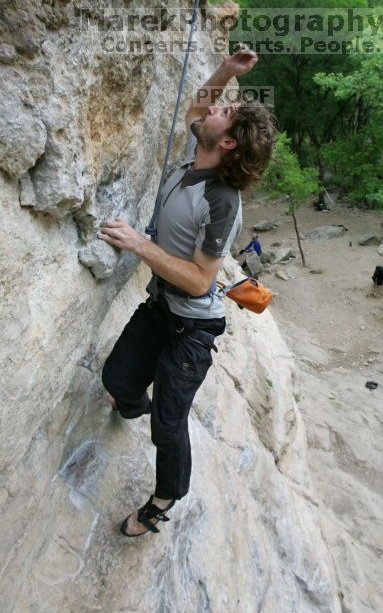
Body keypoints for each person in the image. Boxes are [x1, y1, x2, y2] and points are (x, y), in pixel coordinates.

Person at [97, 46, 276, 537]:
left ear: (230, 145)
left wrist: (139, 243)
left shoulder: (220, 200)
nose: (213, 108)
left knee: (169, 426)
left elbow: (200, 279)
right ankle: (135, 402)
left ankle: (162, 500)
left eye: (225, 113)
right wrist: (227, 72)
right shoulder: (197, 155)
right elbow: (199, 108)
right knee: (117, 379)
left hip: (192, 327)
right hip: (162, 306)